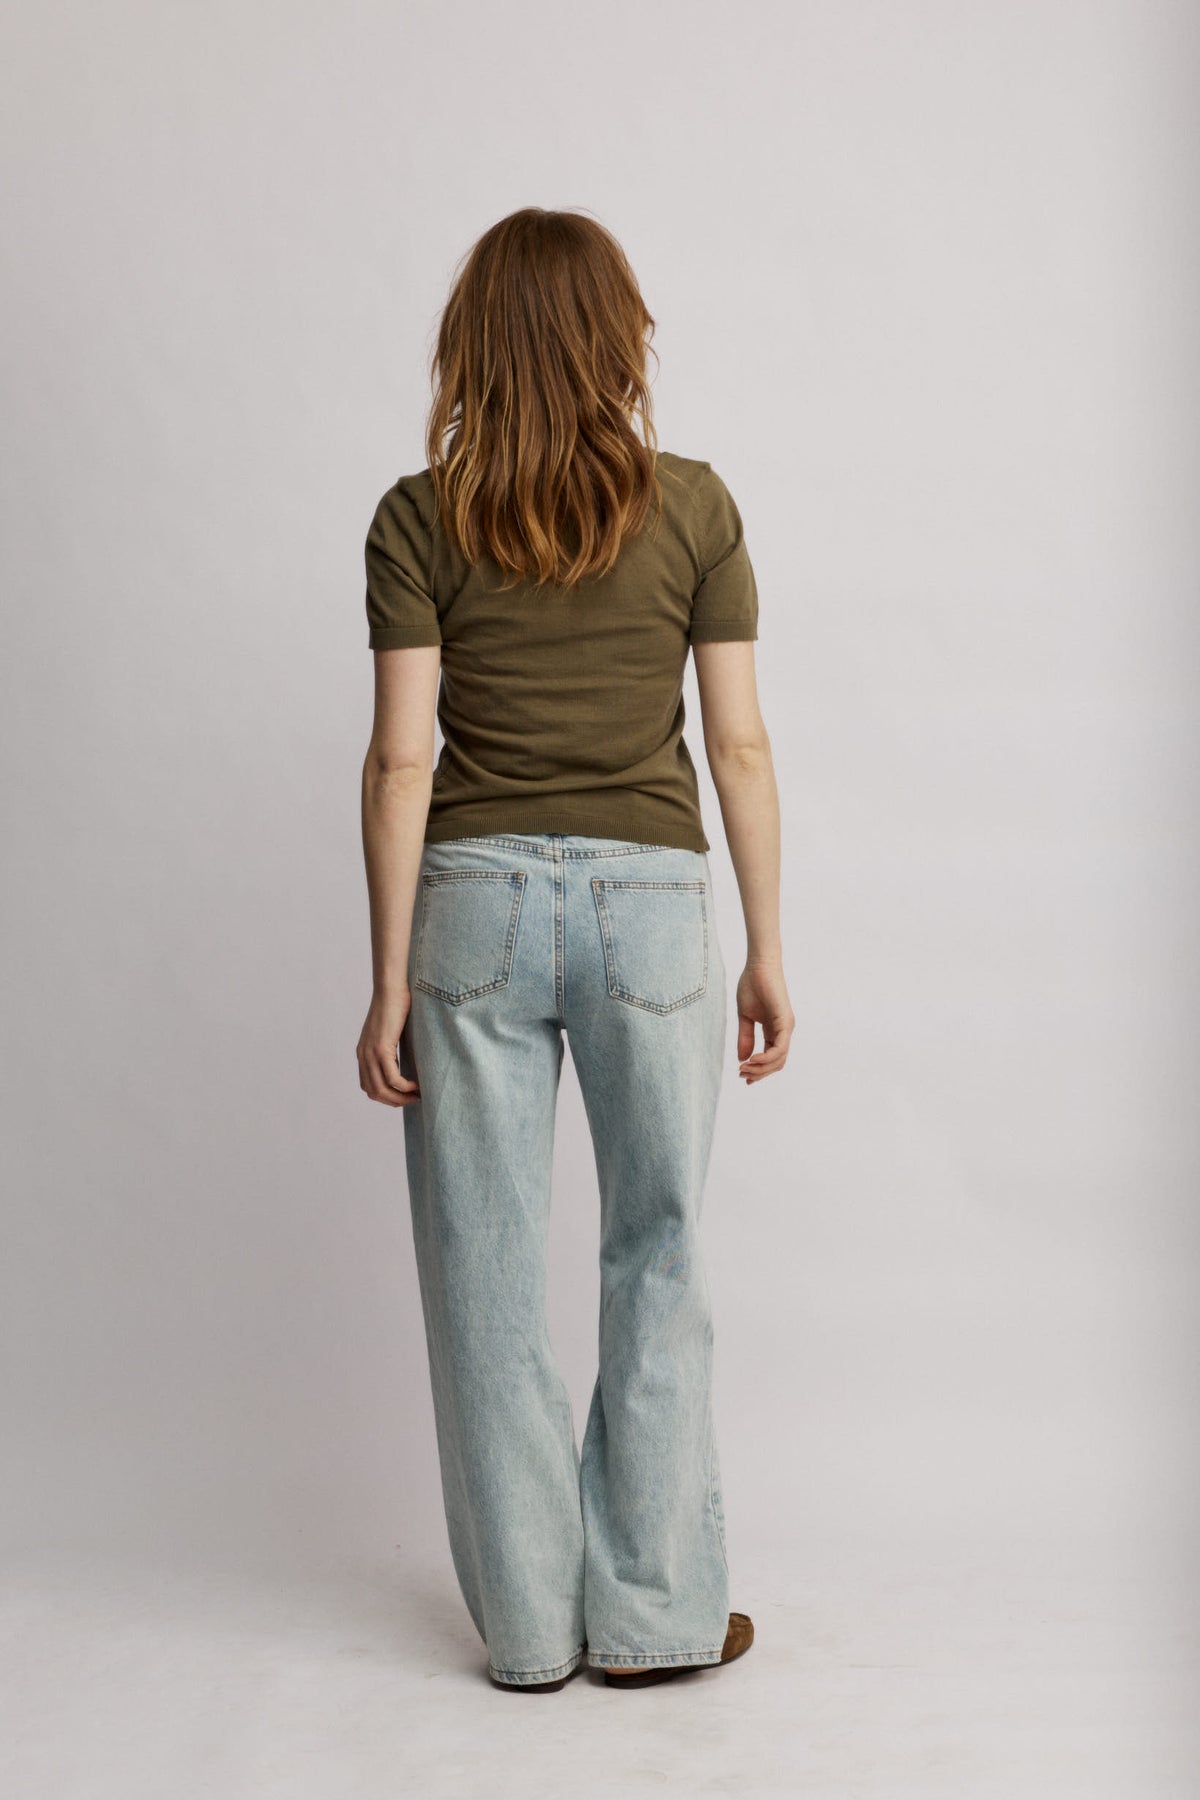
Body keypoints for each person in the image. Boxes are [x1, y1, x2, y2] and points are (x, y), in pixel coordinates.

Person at [356, 207, 793, 1692]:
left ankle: (534, 1633)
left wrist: (389, 978)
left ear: (471, 346)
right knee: (658, 1251)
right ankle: (656, 1617)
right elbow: (738, 745)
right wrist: (768, 943)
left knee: (481, 1271)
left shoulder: (419, 517)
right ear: (620, 339)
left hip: (472, 902)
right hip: (653, 905)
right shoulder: (696, 507)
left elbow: (401, 762)